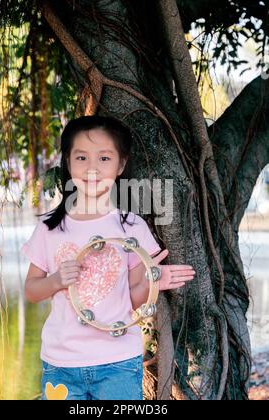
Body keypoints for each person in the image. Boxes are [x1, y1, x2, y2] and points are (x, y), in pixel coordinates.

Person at [21, 115, 195, 400]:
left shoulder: (131, 227)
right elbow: (31, 291)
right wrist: (55, 281)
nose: (92, 168)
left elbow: (132, 299)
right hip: (61, 363)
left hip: (117, 362)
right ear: (67, 162)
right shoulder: (50, 229)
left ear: (121, 164)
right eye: (81, 157)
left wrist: (155, 280)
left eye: (104, 158)